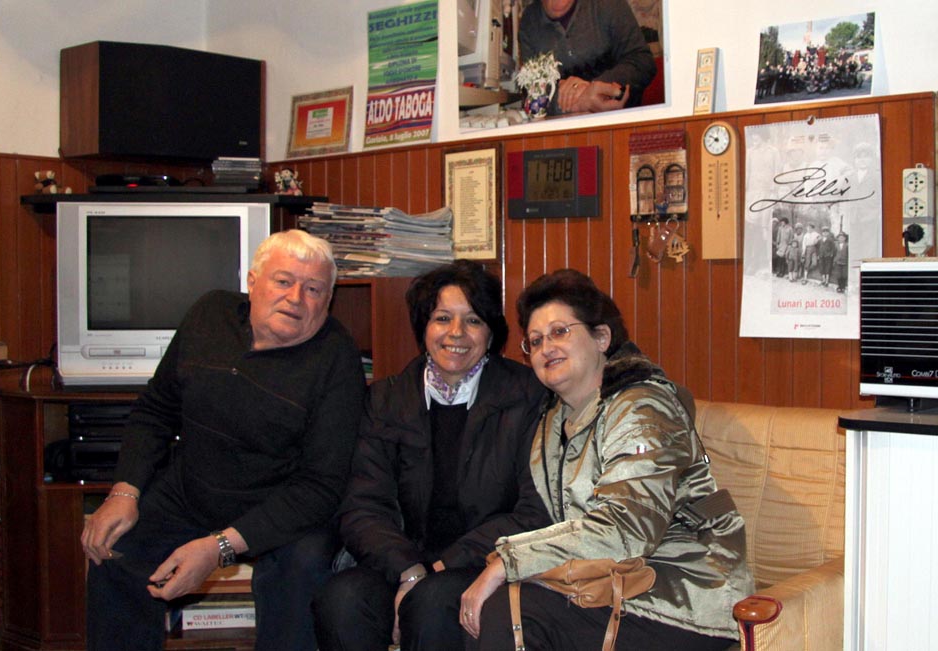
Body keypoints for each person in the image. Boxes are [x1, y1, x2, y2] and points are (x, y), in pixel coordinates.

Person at [81, 229, 366, 651]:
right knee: (116, 547)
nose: (295, 298)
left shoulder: (338, 360)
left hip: (283, 508)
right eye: (283, 281)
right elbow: (156, 409)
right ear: (252, 282)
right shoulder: (209, 314)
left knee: (301, 571)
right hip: (191, 489)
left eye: (313, 289)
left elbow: (320, 486)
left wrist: (219, 548)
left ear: (328, 300)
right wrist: (124, 492)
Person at [460, 269, 753, 651]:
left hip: (687, 593)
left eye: (560, 331)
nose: (546, 347)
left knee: (514, 611)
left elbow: (627, 527)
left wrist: (509, 561)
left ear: (601, 338)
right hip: (609, 579)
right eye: (535, 340)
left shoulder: (642, 408)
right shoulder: (554, 421)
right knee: (474, 603)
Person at [313, 260, 550, 651]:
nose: (456, 333)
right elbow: (361, 505)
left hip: (483, 561)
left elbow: (534, 510)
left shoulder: (527, 396)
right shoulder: (385, 400)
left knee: (433, 603)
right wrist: (408, 570)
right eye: (442, 318)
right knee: (342, 602)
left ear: (491, 332)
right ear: (423, 328)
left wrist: (439, 568)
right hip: (398, 560)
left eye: (473, 320)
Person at [519, 0, 657, 114]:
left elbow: (643, 61)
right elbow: (530, 92)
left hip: (622, 121)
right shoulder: (529, 21)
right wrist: (575, 103)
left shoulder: (608, 4)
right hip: (564, 129)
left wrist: (595, 88)